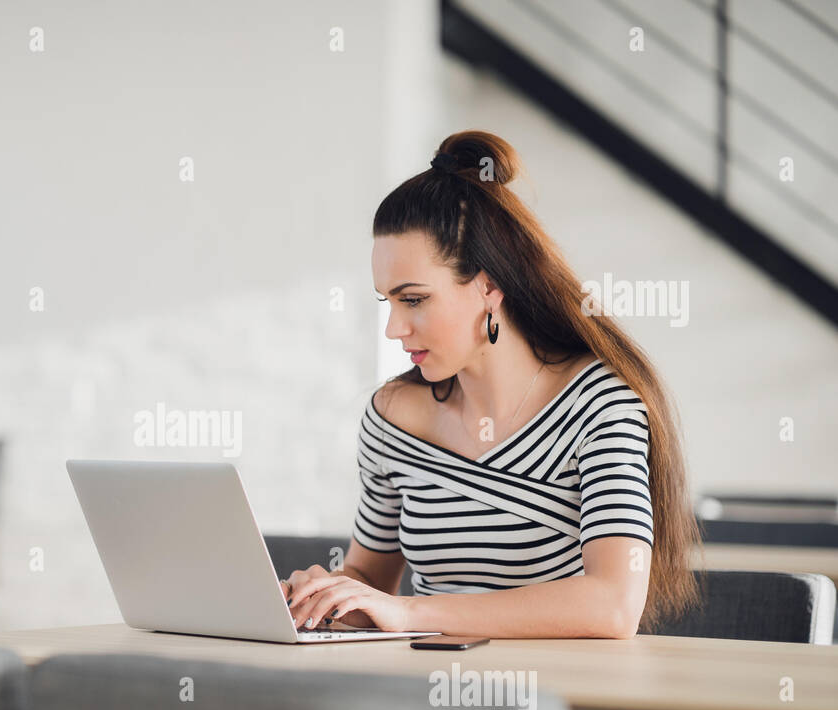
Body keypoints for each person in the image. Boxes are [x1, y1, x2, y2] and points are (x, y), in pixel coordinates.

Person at [284, 129, 699, 641]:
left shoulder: (601, 406)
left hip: (561, 707)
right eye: (385, 302)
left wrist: (413, 613)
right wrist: (326, 596)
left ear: (488, 286)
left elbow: (612, 605)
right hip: (427, 694)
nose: (393, 328)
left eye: (412, 300)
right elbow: (371, 578)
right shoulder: (391, 418)